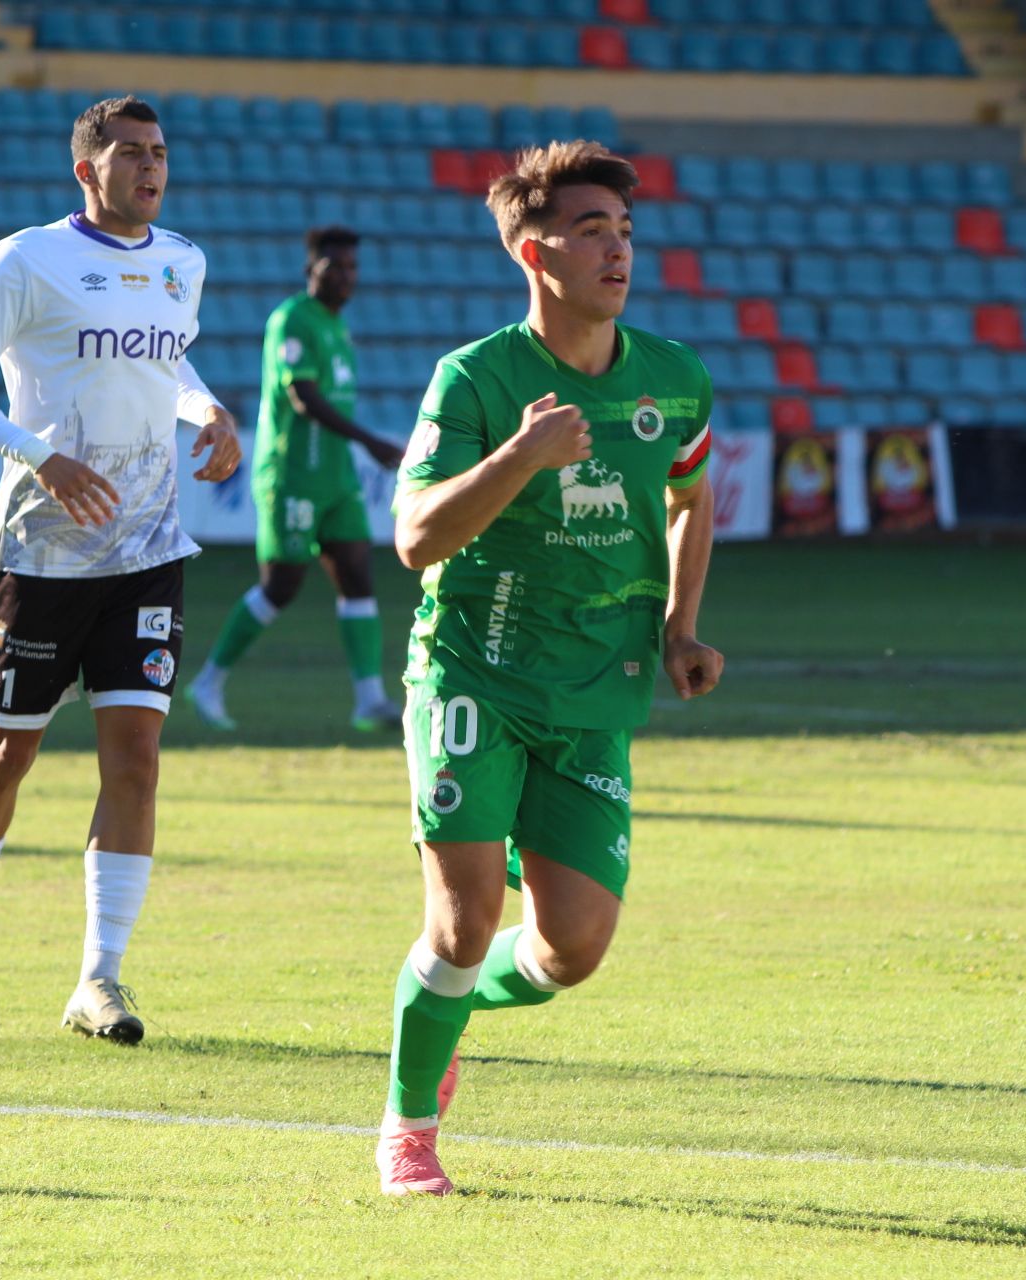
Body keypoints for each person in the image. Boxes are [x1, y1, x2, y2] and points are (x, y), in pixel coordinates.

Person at [374, 140, 724, 1195]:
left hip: (593, 694)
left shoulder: (673, 377)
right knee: (464, 919)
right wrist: (518, 456)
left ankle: (449, 1015)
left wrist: (679, 624)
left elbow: (690, 496)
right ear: (536, 252)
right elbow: (416, 538)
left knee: (572, 948)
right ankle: (407, 1127)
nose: (616, 250)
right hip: (472, 678)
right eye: (589, 231)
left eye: (623, 231)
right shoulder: (476, 379)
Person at [0, 95, 241, 1046]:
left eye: (161, 153)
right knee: (6, 755)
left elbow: (169, 370)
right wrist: (37, 455)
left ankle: (99, 979)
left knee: (135, 761)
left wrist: (209, 412)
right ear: (87, 170)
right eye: (132, 154)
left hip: (148, 551)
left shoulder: (181, 262)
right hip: (43, 554)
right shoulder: (28, 261)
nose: (151, 167)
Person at [188, 226, 406, 733]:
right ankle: (209, 681)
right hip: (293, 475)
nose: (347, 277)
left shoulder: (338, 328)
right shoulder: (292, 320)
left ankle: (370, 700)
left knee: (357, 575)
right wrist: (368, 440)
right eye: (336, 267)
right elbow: (302, 396)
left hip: (336, 478)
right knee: (281, 586)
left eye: (353, 268)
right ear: (312, 269)